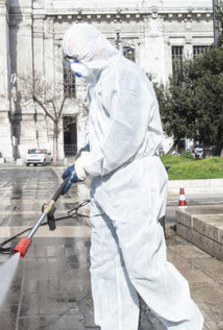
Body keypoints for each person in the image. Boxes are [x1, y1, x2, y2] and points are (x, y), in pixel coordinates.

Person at [59, 23, 203, 330]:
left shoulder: (125, 76)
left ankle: (185, 323)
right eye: (70, 60)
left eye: (77, 59)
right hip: (107, 186)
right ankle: (115, 324)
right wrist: (85, 153)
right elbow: (102, 136)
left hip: (134, 182)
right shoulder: (99, 82)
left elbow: (124, 139)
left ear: (93, 52)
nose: (74, 67)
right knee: (106, 264)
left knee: (144, 266)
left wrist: (85, 167)